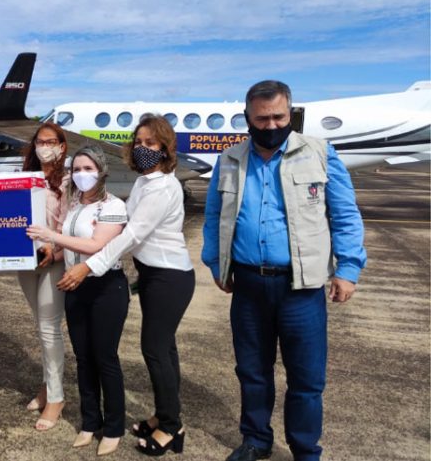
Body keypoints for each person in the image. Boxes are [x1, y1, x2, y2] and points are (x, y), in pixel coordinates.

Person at [201, 80, 367, 461]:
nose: (272, 125)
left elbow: (345, 215)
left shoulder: (320, 154)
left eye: (279, 116)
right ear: (247, 118)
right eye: (262, 119)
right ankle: (256, 439)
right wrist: (216, 262)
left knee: (306, 378)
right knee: (252, 371)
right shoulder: (229, 160)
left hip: (300, 288)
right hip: (248, 285)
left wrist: (348, 269)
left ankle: (305, 450)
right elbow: (213, 215)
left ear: (290, 114)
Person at [59, 114, 195, 456]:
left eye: (151, 143)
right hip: (152, 274)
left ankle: (171, 427)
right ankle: (166, 415)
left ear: (165, 148)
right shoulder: (144, 182)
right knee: (165, 350)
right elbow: (124, 225)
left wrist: (88, 266)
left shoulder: (163, 187)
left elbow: (131, 235)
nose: (142, 147)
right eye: (138, 142)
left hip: (169, 275)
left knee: (155, 350)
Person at [27, 145, 129, 456]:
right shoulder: (74, 205)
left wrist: (51, 236)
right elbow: (72, 246)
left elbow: (97, 244)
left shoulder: (113, 206)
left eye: (89, 169)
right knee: (83, 358)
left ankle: (114, 427)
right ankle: (90, 422)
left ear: (102, 171)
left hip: (105, 286)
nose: (82, 175)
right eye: (77, 170)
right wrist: (53, 254)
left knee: (105, 358)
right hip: (74, 285)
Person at [17, 122, 70, 431]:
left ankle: (56, 398)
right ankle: (48, 385)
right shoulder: (25, 178)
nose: (45, 147)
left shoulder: (69, 181)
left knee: (50, 328)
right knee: (40, 325)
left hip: (55, 260)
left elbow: (68, 225)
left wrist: (55, 252)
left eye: (51, 142)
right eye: (40, 141)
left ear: (62, 146)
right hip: (26, 261)